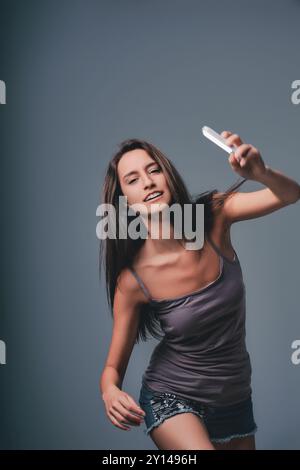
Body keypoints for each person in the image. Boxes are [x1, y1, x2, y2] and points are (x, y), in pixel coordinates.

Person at [99, 132, 299, 450]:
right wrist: (110, 392)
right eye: (133, 179)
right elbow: (113, 368)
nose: (148, 182)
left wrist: (261, 173)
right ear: (124, 201)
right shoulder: (133, 280)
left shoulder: (215, 215)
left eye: (153, 170)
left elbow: (290, 194)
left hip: (235, 400)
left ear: (168, 174)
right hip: (171, 398)